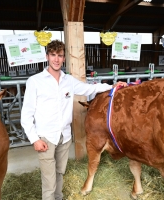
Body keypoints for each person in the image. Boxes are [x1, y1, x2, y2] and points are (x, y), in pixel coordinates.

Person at [20, 39, 127, 200]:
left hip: (64, 136)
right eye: (53, 55)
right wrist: (34, 139)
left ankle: (59, 197)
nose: (56, 59)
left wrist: (112, 87)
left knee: (60, 172)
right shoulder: (35, 81)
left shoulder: (68, 81)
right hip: (46, 137)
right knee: (49, 179)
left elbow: (89, 88)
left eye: (60, 55)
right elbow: (26, 114)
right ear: (47, 56)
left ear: (64, 59)